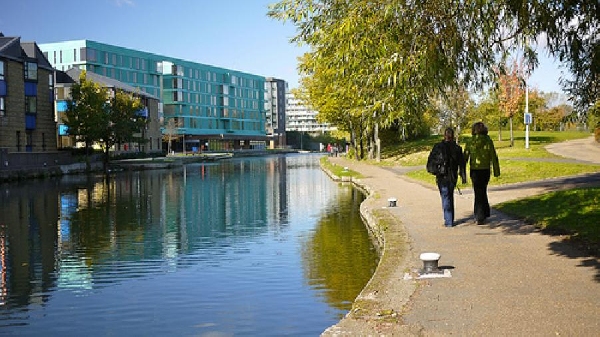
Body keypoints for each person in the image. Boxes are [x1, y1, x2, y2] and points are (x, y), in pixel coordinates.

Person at [428, 127, 467, 227]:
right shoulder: (457, 148)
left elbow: (431, 160)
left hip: (442, 176)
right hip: (452, 176)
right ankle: (449, 219)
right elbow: (462, 164)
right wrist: (463, 176)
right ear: (453, 136)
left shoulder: (438, 147)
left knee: (445, 196)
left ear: (444, 136)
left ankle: (448, 220)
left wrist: (434, 170)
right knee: (449, 195)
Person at [463, 122, 500, 225]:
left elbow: (465, 156)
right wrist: (496, 171)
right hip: (485, 169)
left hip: (475, 170)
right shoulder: (488, 141)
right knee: (482, 190)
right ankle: (485, 212)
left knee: (478, 192)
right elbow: (493, 156)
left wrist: (461, 169)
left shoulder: (470, 141)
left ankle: (479, 215)